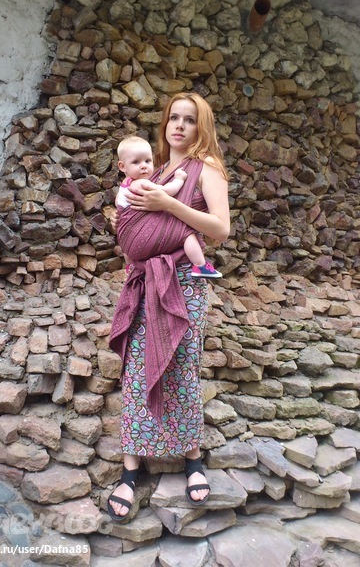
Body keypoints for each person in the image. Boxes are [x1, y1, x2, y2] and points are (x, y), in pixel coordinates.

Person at [108, 92, 230, 521]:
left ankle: (192, 459)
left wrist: (169, 204)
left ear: (202, 126)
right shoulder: (155, 170)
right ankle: (130, 470)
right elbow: (139, 221)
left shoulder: (207, 168)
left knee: (180, 365)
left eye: (189, 119)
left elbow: (221, 228)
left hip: (183, 283)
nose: (179, 125)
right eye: (173, 117)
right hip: (145, 281)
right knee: (137, 368)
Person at [115, 135, 222, 278]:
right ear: (122, 166)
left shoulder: (124, 185)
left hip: (126, 243)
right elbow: (166, 192)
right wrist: (179, 179)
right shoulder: (142, 183)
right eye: (136, 162)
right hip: (140, 240)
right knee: (185, 233)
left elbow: (120, 207)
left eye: (148, 161)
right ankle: (200, 266)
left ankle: (129, 266)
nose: (143, 166)